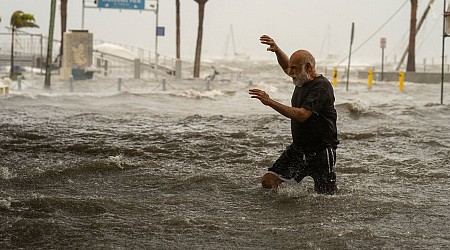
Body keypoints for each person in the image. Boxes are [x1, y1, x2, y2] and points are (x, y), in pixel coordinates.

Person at [249, 35, 339, 195]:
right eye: (291, 68)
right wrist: (277, 50)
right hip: (298, 150)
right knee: (269, 181)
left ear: (309, 68)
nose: (290, 72)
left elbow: (302, 115)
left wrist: (270, 102)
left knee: (325, 199)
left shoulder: (321, 87)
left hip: (321, 152)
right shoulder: (300, 79)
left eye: (295, 68)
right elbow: (286, 66)